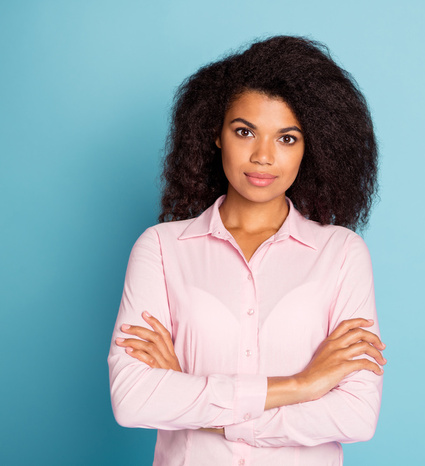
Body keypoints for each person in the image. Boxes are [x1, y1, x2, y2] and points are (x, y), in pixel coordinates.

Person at [107, 36, 385, 465]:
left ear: (313, 146)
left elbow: (356, 415)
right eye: (245, 131)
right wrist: (302, 386)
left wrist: (190, 395)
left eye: (287, 138)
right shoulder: (161, 249)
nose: (263, 156)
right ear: (215, 134)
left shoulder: (342, 254)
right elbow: (133, 400)